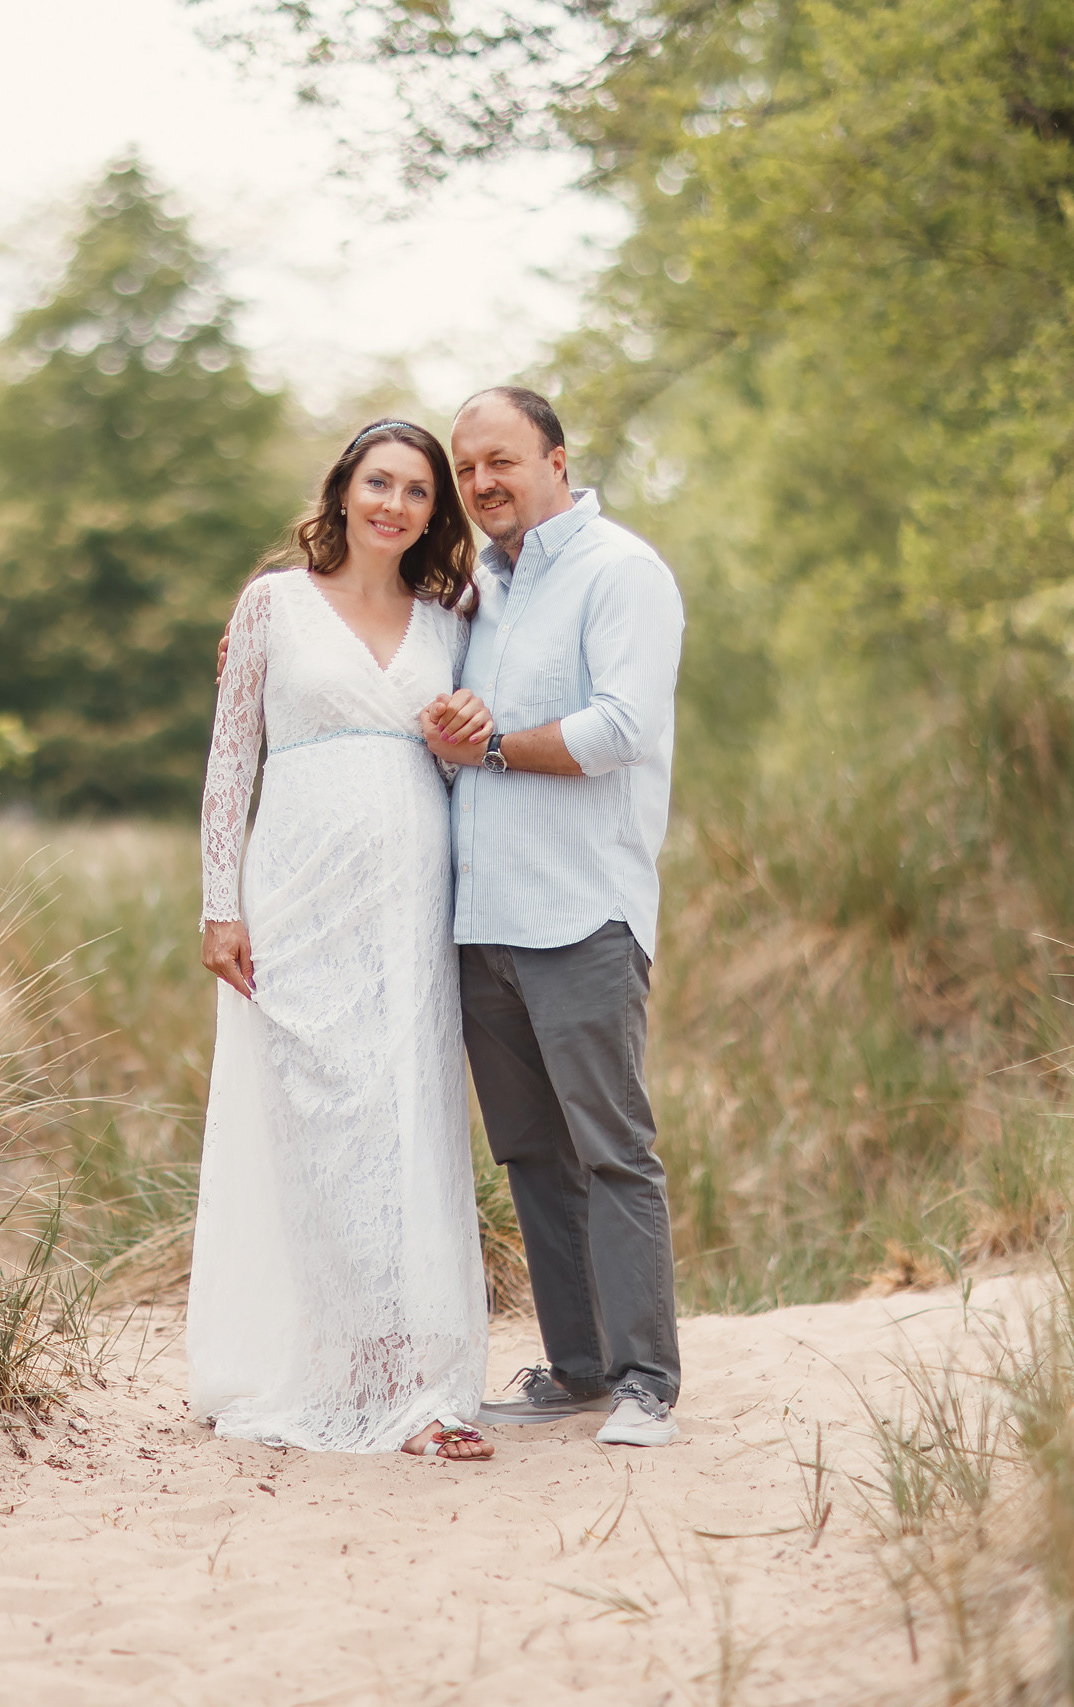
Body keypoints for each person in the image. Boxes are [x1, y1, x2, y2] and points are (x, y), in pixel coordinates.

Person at [187, 419, 501, 1461]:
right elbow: (233, 759)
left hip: (412, 902)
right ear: (343, 489)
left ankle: (418, 1385)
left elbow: (461, 765)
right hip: (295, 895)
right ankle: (338, 1368)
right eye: (380, 482)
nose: (395, 505)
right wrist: (216, 904)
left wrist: (460, 739)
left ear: (432, 514)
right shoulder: (272, 603)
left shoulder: (448, 619)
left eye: (418, 492)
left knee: (407, 1117)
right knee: (316, 1121)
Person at [418, 386, 686, 1449]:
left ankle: (645, 1382)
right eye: (467, 466)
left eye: (503, 461)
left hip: (580, 912)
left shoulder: (620, 572)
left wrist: (486, 745)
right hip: (482, 919)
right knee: (531, 1155)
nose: (482, 482)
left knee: (612, 1150)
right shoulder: (475, 589)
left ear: (556, 461)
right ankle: (575, 1366)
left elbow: (619, 728)